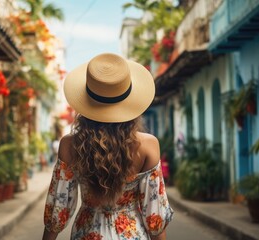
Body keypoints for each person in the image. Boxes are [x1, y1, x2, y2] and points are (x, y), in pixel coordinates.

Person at [42, 53, 174, 240]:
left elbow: (58, 209)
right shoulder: (148, 145)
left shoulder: (69, 145)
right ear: (130, 102)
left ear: (86, 101)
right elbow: (155, 217)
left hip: (86, 234)